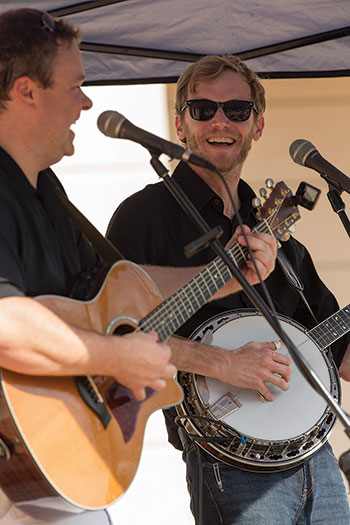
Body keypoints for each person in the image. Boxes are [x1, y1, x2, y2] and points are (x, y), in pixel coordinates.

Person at [0, 9, 277, 524]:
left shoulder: (47, 191)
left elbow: (122, 290)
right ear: (27, 91)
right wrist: (115, 356)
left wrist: (230, 272)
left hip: (60, 462)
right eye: (76, 85)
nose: (87, 102)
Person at [107, 54, 350, 524]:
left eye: (237, 110)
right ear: (180, 124)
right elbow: (116, 330)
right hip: (226, 462)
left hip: (316, 457)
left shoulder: (276, 232)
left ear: (257, 127)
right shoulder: (144, 217)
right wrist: (224, 363)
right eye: (203, 110)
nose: (221, 121)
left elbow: (338, 355)